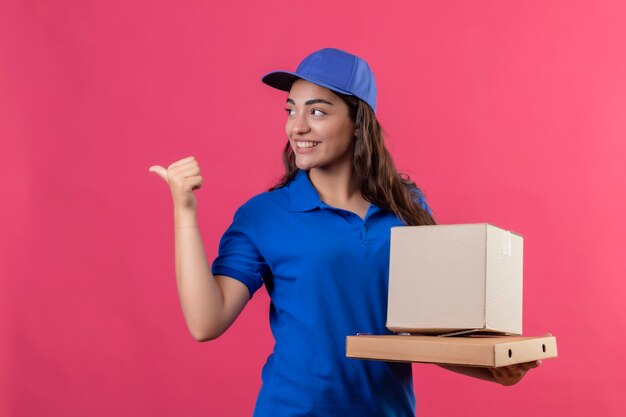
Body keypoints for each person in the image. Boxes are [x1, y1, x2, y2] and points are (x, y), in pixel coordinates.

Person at [149, 47, 541, 417]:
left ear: (358, 123)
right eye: (291, 110)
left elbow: (426, 335)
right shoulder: (264, 215)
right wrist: (184, 212)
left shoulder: (407, 206)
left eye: (317, 111)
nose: (297, 126)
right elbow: (206, 321)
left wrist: (493, 369)